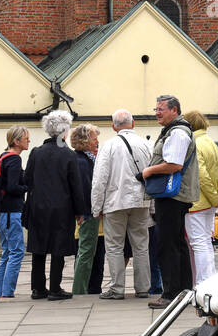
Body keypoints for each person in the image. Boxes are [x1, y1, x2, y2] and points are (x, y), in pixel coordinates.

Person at [140, 94, 199, 306]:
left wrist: (147, 171)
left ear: (174, 110)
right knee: (176, 242)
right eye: (156, 109)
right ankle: (183, 291)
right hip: (174, 195)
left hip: (172, 195)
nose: (157, 113)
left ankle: (171, 294)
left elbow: (174, 164)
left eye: (161, 109)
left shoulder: (178, 132)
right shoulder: (175, 130)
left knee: (168, 244)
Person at [90, 109, 155, 300]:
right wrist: (152, 206)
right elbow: (153, 176)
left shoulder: (109, 146)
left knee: (114, 246)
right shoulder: (146, 144)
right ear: (133, 124)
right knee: (141, 245)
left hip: (114, 202)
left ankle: (117, 288)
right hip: (141, 200)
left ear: (113, 127)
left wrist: (96, 207)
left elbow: (100, 179)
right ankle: (143, 288)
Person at [23, 110, 87, 300]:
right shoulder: (68, 155)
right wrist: (79, 211)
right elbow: (76, 186)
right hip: (62, 208)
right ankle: (55, 288)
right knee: (58, 248)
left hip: (38, 206)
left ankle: (37, 288)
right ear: (65, 131)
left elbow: (27, 180)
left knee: (39, 248)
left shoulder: (36, 152)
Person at [184, 110, 218, 284]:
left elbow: (200, 175)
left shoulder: (193, 143)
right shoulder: (211, 142)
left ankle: (203, 282)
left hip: (196, 202)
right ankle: (209, 280)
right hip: (210, 203)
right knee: (206, 243)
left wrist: (214, 197)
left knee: (198, 244)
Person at [0, 124, 29, 298]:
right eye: (25, 138)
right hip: (12, 212)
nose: (28, 140)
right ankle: (7, 292)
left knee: (7, 252)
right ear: (16, 141)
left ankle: (0, 291)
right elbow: (12, 187)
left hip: (2, 212)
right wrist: (28, 186)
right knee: (17, 251)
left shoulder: (2, 156)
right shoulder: (15, 159)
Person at [69, 123, 102, 295]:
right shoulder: (82, 161)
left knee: (87, 252)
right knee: (86, 252)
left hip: (89, 211)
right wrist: (84, 211)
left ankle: (81, 288)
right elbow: (85, 188)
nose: (97, 141)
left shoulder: (85, 158)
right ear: (86, 140)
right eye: (95, 138)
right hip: (88, 212)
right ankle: (79, 290)